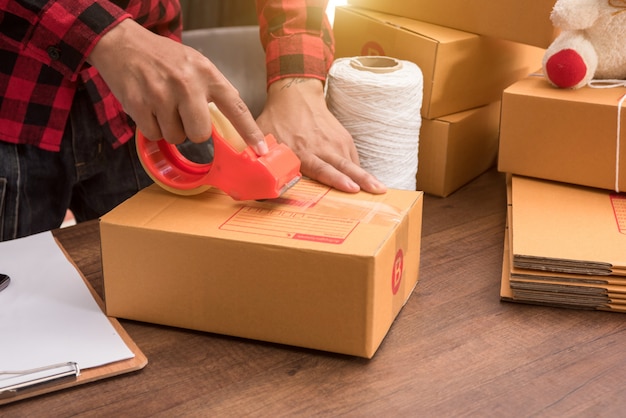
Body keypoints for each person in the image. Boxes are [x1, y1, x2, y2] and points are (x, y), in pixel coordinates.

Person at [0, 0, 385, 242]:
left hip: (163, 106)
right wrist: (107, 36)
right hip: (12, 98)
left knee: (182, 288)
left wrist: (296, 81)